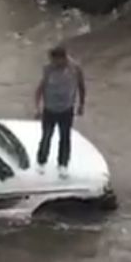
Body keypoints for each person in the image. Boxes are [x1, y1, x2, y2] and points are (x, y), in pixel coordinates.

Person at [35, 44, 86, 178]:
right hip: (49, 109)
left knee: (65, 137)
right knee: (46, 136)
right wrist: (38, 107)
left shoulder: (75, 69)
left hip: (66, 109)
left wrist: (81, 104)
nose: (53, 63)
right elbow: (40, 88)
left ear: (63, 58)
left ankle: (63, 164)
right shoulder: (48, 69)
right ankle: (41, 161)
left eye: (55, 60)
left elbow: (81, 86)